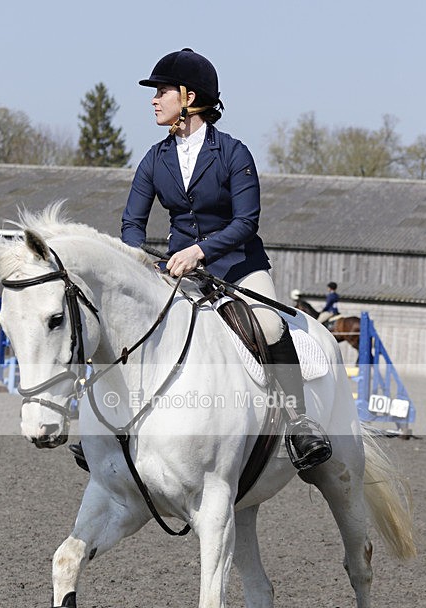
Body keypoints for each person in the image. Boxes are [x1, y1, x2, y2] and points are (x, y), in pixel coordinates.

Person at [119, 48, 331, 471]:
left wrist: (199, 251)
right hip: (180, 273)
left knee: (270, 324)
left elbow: (246, 222)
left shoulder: (234, 153)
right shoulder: (153, 159)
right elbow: (132, 224)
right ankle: (114, 425)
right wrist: (136, 261)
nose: (154, 99)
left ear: (189, 96)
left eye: (162, 91)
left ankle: (300, 422)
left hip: (239, 265)